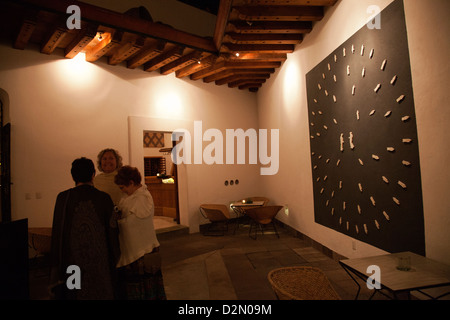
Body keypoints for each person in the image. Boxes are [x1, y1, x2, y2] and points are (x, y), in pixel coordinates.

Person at [49, 157, 120, 300]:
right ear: (93, 174)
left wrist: (55, 269)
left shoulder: (63, 198)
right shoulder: (104, 198)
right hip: (100, 264)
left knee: (73, 294)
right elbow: (113, 231)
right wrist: (116, 260)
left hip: (72, 263)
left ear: (73, 176)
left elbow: (57, 233)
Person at [114, 165, 166, 300]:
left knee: (146, 288)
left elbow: (133, 224)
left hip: (143, 252)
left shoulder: (142, 198)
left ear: (131, 183)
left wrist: (117, 223)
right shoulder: (129, 196)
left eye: (123, 187)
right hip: (139, 251)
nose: (122, 191)